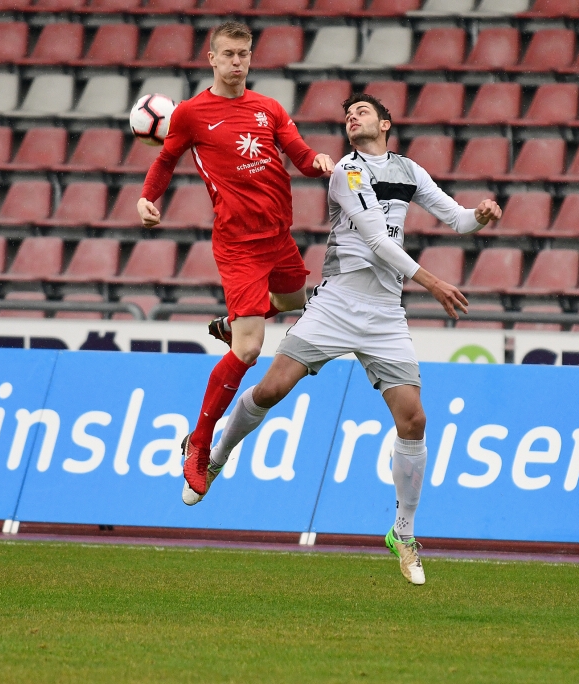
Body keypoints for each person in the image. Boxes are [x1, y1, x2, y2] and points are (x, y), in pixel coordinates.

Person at [183, 93, 502, 586]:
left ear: (387, 122)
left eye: (361, 111)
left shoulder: (409, 171)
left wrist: (480, 215)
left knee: (414, 420)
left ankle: (404, 532)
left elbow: (456, 219)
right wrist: (432, 282)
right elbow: (377, 238)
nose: (351, 117)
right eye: (346, 114)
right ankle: (216, 452)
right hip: (335, 304)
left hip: (383, 314)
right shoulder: (345, 172)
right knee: (270, 391)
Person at [137, 21, 336, 499]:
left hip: (279, 237)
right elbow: (165, 160)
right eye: (227, 54)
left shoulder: (269, 109)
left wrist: (320, 163)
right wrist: (148, 198)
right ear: (211, 58)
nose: (236, 62)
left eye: (243, 54)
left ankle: (235, 321)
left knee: (293, 300)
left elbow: (301, 155)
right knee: (249, 350)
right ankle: (198, 444)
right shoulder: (190, 114)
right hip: (238, 245)